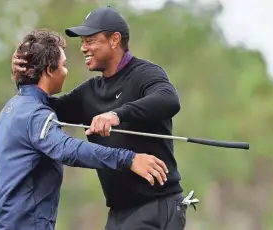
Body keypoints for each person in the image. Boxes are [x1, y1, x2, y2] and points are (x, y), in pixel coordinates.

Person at [12, 6, 194, 230]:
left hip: (157, 206)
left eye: (90, 40)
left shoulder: (145, 73)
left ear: (115, 40)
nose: (83, 48)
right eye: (82, 42)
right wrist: (25, 79)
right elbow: (42, 108)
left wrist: (117, 114)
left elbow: (168, 100)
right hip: (118, 213)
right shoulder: (90, 92)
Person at [0, 29, 169, 230]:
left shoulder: (10, 110)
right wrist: (129, 159)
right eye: (64, 65)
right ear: (50, 71)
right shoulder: (36, 115)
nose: (65, 71)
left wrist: (0, 217)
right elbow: (68, 150)